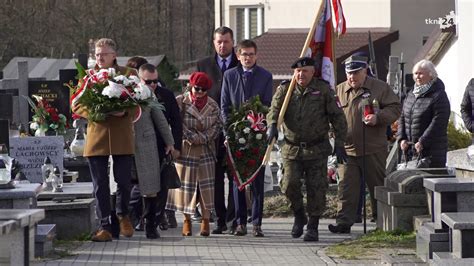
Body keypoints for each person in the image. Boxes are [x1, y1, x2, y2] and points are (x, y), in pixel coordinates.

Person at [267, 57, 348, 241]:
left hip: (316, 148)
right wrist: (271, 124)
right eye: (298, 71)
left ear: (313, 72)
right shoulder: (285, 90)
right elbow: (273, 109)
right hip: (291, 148)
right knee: (289, 184)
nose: (301, 74)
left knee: (317, 188)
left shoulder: (323, 90)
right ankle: (299, 215)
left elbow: (338, 118)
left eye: (305, 71)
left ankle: (312, 226)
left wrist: (340, 143)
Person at [72, 38, 137, 242]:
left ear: (114, 55)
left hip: (121, 134)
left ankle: (122, 214)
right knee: (100, 183)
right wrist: (94, 111)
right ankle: (105, 226)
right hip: (97, 134)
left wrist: (123, 111)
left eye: (104, 54)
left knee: (124, 181)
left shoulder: (128, 74)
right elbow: (75, 104)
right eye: (97, 54)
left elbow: (139, 99)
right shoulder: (89, 77)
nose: (100, 58)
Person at [329, 54, 401, 234]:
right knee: (346, 187)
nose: (351, 77)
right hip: (348, 150)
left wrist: (379, 117)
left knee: (376, 186)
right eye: (348, 73)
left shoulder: (379, 88)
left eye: (355, 72)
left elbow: (395, 108)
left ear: (365, 71)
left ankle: (380, 222)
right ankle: (344, 222)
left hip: (373, 148)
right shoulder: (339, 90)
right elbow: (331, 115)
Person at [220, 39, 273, 237]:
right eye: (244, 54)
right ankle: (240, 222)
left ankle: (257, 223)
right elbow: (224, 106)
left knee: (257, 180)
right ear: (238, 55)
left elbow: (267, 104)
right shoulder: (230, 75)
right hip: (235, 135)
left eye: (251, 54)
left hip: (257, 134)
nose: (248, 58)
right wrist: (229, 131)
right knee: (238, 181)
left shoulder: (265, 76)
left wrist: (257, 127)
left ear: (256, 55)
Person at [166, 72, 222, 237]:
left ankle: (205, 222)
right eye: (197, 89)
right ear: (191, 86)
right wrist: (191, 136)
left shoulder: (212, 105)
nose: (200, 93)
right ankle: (187, 221)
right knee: (186, 188)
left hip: (206, 150)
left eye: (204, 90)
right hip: (186, 150)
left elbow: (218, 125)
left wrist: (203, 137)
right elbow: (176, 123)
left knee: (205, 188)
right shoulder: (180, 102)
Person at [196, 26, 239, 234]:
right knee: (214, 177)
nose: (223, 45)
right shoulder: (203, 64)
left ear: (233, 43)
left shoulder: (241, 63)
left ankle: (233, 219)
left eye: (226, 41)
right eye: (219, 42)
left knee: (234, 175)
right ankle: (219, 219)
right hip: (211, 131)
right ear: (214, 43)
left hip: (235, 129)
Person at [129, 63, 175, 239]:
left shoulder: (150, 96)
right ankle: (126, 220)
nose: (153, 85)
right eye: (149, 82)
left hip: (147, 145)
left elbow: (160, 119)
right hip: (126, 145)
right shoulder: (125, 92)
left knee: (150, 188)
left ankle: (150, 225)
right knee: (127, 187)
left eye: (156, 81)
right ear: (139, 79)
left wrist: (170, 142)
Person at [398, 59, 450, 167]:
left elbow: (439, 121)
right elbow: (402, 116)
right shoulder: (411, 94)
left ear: (431, 75)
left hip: (431, 152)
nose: (417, 76)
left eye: (421, 73)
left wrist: (423, 141)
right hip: (410, 151)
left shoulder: (439, 95)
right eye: (415, 73)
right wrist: (401, 138)